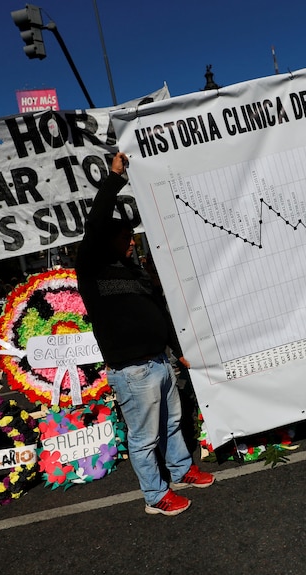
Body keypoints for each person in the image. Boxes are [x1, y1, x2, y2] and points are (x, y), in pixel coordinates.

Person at [75, 151, 213, 516]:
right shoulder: (91, 269)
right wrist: (115, 178)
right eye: (125, 237)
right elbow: (95, 223)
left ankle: (181, 470)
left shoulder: (133, 272)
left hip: (158, 362)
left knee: (171, 424)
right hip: (132, 371)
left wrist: (176, 349)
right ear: (107, 240)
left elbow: (158, 313)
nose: (131, 242)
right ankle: (155, 495)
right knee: (144, 437)